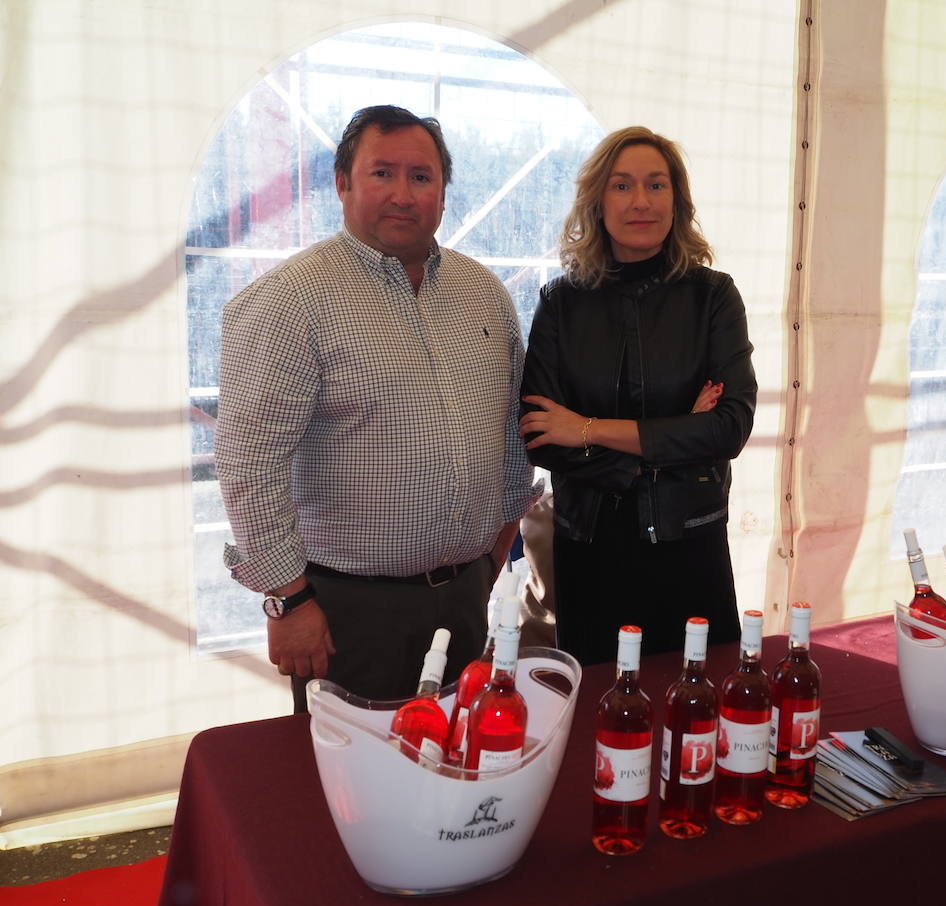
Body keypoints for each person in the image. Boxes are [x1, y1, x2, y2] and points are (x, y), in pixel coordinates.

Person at [215, 105, 534, 712]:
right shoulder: (292, 299)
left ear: (443, 190)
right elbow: (249, 463)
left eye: (421, 177)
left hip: (468, 593)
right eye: (381, 173)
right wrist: (289, 600)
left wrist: (501, 534)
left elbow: (510, 431)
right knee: (355, 794)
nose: (403, 195)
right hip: (345, 610)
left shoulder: (484, 293)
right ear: (342, 183)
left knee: (459, 764)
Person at [519, 126, 757, 666]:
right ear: (597, 201)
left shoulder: (713, 297)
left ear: (678, 200)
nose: (642, 201)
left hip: (691, 546)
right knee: (599, 716)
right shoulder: (561, 302)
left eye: (657, 185)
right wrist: (671, 442)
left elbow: (728, 428)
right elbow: (540, 437)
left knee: (697, 703)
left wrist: (587, 427)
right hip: (591, 550)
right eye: (622, 186)